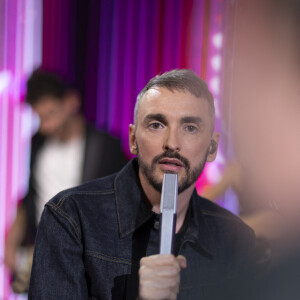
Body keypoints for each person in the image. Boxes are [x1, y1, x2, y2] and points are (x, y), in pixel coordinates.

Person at [28, 69, 256, 299]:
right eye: (157, 125)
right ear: (133, 140)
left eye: (190, 128)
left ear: (212, 148)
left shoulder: (236, 239)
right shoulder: (69, 219)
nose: (172, 143)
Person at [5, 69, 127, 293]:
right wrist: (12, 242)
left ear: (71, 102)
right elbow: (31, 195)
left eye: (51, 114)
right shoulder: (37, 143)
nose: (46, 125)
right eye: (40, 117)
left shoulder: (105, 147)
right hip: (43, 257)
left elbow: (123, 207)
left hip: (90, 266)